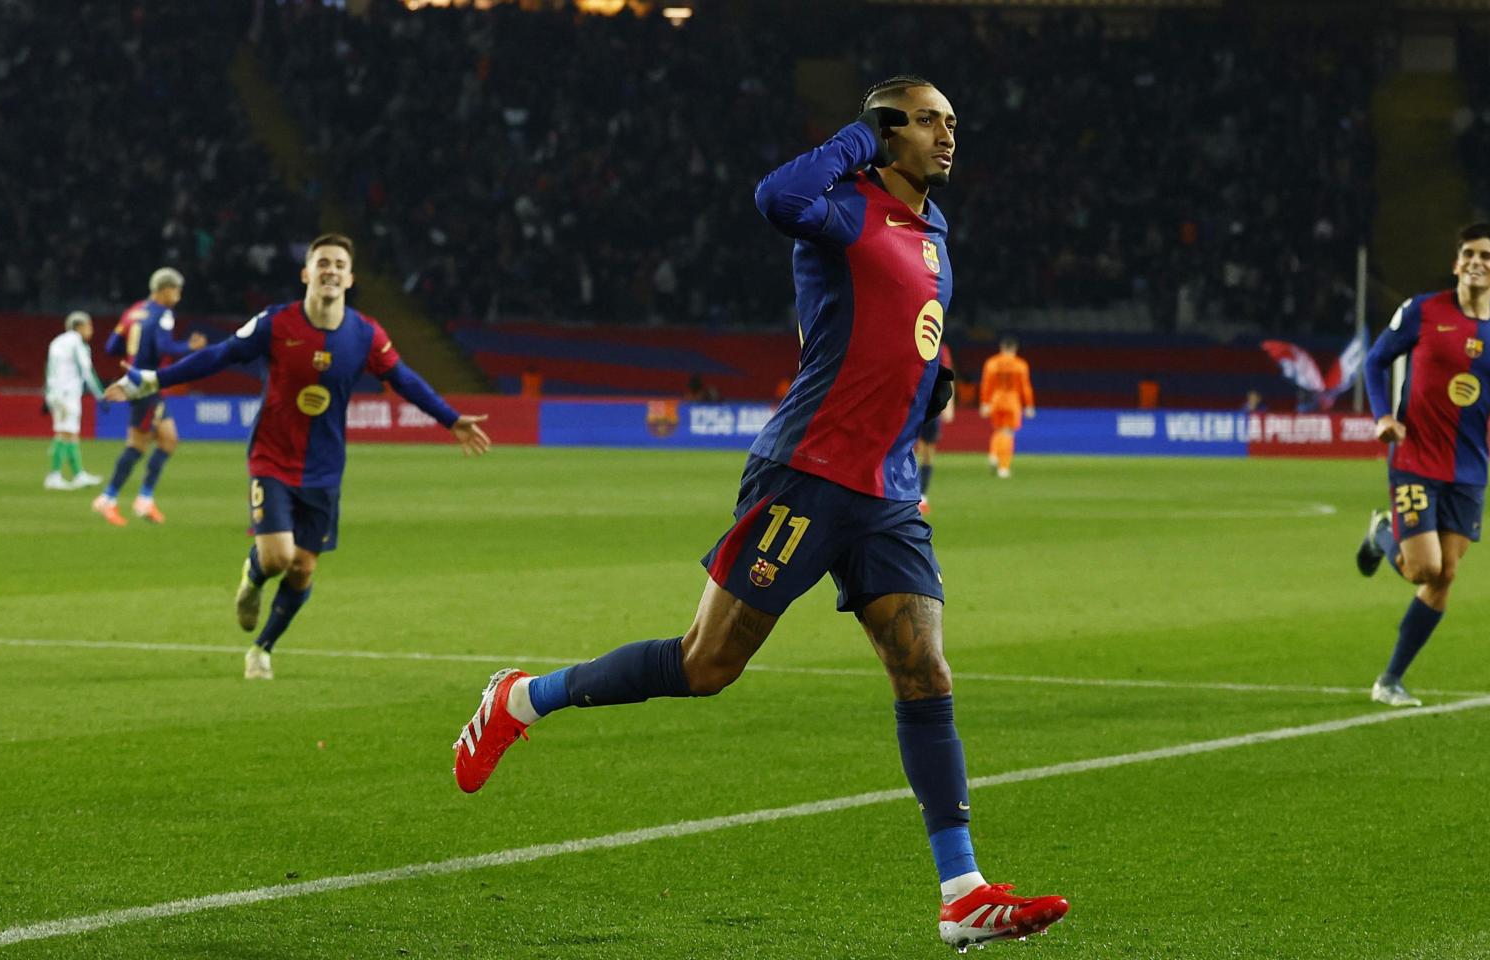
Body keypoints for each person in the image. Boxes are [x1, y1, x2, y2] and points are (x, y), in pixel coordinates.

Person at [448, 76, 1067, 952]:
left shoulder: (936, 233)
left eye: (953, 123)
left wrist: (935, 375)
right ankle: (521, 699)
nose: (948, 135)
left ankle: (961, 891)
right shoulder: (842, 208)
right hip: (806, 473)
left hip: (887, 491)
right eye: (927, 121)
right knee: (707, 664)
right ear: (887, 129)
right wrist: (861, 138)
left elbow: (902, 328)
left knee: (924, 669)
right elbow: (774, 197)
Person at [106, 235, 490, 680]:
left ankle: (262, 648)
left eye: (339, 264)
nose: (330, 269)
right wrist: (151, 379)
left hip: (324, 469)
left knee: (304, 568)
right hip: (272, 458)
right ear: (306, 273)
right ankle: (251, 581)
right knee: (276, 558)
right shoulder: (276, 323)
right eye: (322, 262)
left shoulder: (365, 334)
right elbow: (218, 356)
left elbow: (404, 379)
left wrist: (450, 419)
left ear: (349, 278)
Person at [1354, 222, 1490, 706]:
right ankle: (1384, 535)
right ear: (1456, 264)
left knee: (1446, 576)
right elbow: (1376, 361)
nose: (1476, 262)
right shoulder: (1423, 310)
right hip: (1416, 456)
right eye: (1468, 253)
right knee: (1424, 569)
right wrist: (1383, 415)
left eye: (1487, 256)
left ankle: (1390, 680)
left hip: (1469, 469)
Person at [91, 267, 207, 526]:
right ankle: (107, 499)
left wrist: (132, 356)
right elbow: (163, 347)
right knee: (137, 445)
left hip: (140, 382)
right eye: (176, 290)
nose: (178, 295)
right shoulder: (164, 314)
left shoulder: (134, 310)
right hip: (146, 384)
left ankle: (144, 500)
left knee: (168, 440)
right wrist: (190, 347)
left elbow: (111, 346)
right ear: (165, 290)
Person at [42, 311, 106, 490]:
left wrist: (47, 395)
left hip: (55, 392)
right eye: (89, 326)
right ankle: (54, 475)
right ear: (80, 327)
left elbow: (48, 369)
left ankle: (78, 474)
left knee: (67, 433)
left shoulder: (56, 341)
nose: (91, 330)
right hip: (68, 392)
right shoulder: (77, 342)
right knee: (66, 433)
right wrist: (101, 394)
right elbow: (87, 371)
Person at [978, 335, 1035, 479]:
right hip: (1012, 401)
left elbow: (986, 384)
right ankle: (1003, 467)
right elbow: (1025, 386)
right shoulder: (1020, 364)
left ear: (1002, 348)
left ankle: (993, 453)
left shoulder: (992, 363)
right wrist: (1029, 405)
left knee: (998, 430)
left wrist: (985, 403)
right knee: (1008, 433)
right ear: (1014, 349)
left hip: (996, 400)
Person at [916, 340, 954, 515]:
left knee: (927, 452)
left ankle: (922, 496)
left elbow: (946, 376)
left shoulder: (940, 348)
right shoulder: (913, 339)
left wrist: (949, 405)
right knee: (911, 450)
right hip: (910, 403)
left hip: (928, 404)